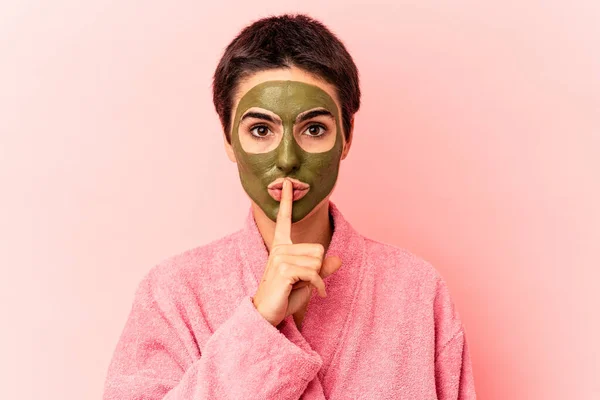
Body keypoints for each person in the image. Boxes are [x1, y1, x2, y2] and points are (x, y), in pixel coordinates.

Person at [103, 13, 476, 399]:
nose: (286, 159)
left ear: (346, 137)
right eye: (261, 130)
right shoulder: (171, 294)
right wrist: (259, 322)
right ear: (229, 141)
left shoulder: (417, 292)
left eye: (314, 129)